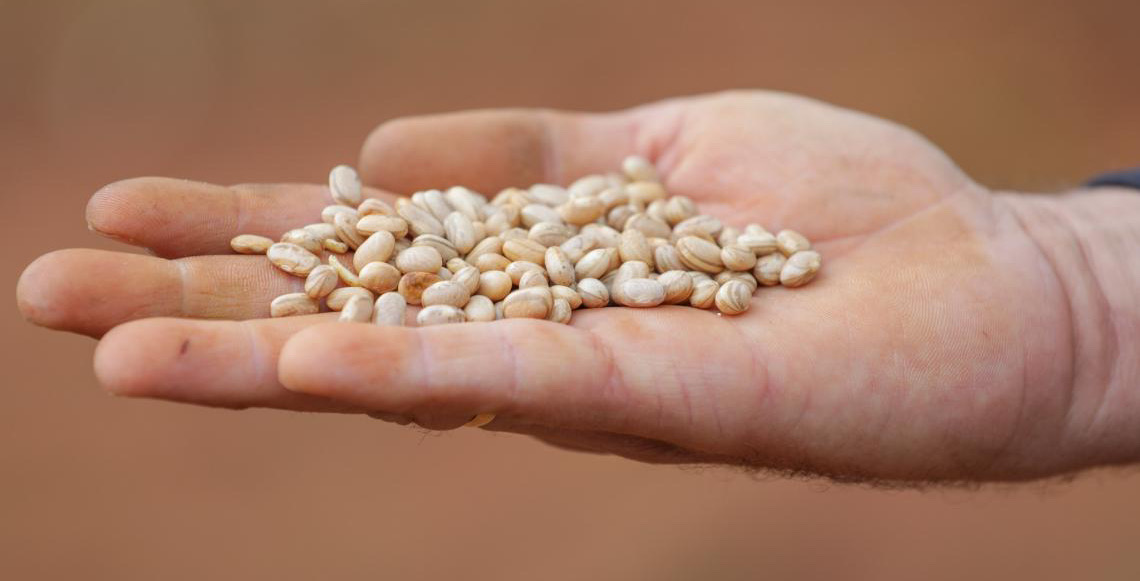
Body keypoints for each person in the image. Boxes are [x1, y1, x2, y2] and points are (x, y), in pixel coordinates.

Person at [16, 90, 1140, 484]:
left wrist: (1081, 290)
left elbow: (576, 259)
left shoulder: (640, 239)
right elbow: (508, 257)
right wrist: (1080, 281)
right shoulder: (457, 245)